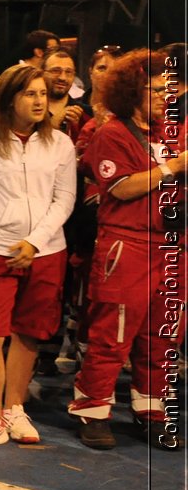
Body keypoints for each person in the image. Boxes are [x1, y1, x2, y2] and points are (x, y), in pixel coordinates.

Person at [0, 65, 76, 451]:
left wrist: (34, 242)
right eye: (30, 94)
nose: (40, 100)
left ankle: (14, 409)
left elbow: (65, 200)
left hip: (47, 253)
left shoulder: (61, 145)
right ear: (9, 99)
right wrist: (6, 231)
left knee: (27, 333)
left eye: (42, 93)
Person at [68, 50, 184, 450]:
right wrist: (173, 167)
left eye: (165, 90)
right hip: (127, 244)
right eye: (153, 91)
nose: (162, 98)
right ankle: (93, 409)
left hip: (171, 246)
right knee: (111, 334)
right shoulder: (112, 134)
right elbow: (121, 187)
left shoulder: (172, 132)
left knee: (162, 335)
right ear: (132, 92)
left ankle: (150, 410)